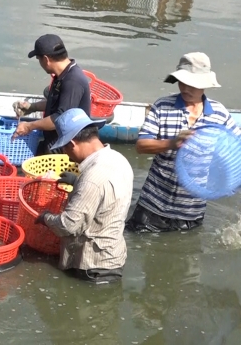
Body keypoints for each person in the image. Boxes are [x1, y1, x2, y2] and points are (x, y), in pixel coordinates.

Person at [125, 52, 241, 233]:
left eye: (192, 84)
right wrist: (171, 143)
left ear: (204, 85)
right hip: (152, 206)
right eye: (182, 82)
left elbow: (235, 153)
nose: (186, 88)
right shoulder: (163, 106)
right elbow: (141, 145)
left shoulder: (220, 115)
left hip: (191, 212)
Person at [35, 108, 133, 284]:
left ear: (72, 144)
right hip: (113, 259)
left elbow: (68, 225)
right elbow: (105, 198)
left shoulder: (92, 178)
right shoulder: (119, 159)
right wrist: (76, 181)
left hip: (91, 268)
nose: (67, 156)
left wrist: (45, 218)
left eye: (65, 148)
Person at [12, 34, 91, 155]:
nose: (40, 63)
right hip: (53, 141)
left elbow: (60, 119)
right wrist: (31, 107)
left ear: (46, 59)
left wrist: (29, 126)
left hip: (66, 148)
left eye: (39, 59)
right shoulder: (62, 75)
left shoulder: (73, 81)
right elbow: (56, 103)